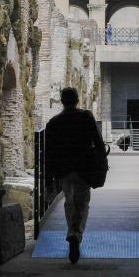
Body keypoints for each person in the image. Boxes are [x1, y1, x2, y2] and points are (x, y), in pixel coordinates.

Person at [44, 87, 105, 263]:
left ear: (62, 101)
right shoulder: (86, 117)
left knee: (69, 202)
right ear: (77, 100)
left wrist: (49, 178)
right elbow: (98, 142)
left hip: (63, 169)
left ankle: (72, 230)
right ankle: (76, 233)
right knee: (83, 202)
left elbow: (49, 153)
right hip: (84, 167)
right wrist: (102, 162)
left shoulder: (54, 122)